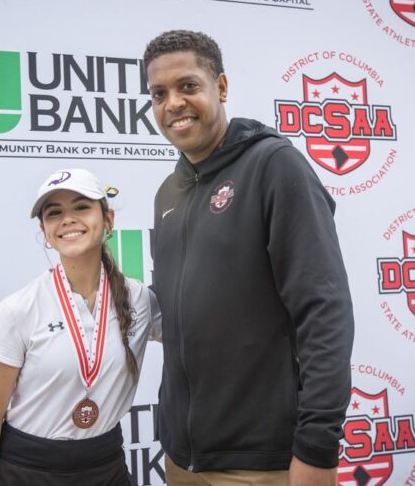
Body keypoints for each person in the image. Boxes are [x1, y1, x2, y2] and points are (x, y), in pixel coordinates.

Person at [144, 30, 354, 486]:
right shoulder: (167, 194)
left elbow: (324, 309)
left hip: (262, 463)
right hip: (182, 458)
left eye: (188, 86)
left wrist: (318, 447)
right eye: (159, 94)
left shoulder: (274, 165)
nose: (173, 103)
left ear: (220, 87)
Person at [0, 168, 161, 486]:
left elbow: (197, 334)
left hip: (106, 466)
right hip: (28, 471)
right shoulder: (19, 308)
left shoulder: (138, 297)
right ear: (45, 231)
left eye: (81, 206)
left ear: (108, 219)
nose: (68, 219)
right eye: (54, 213)